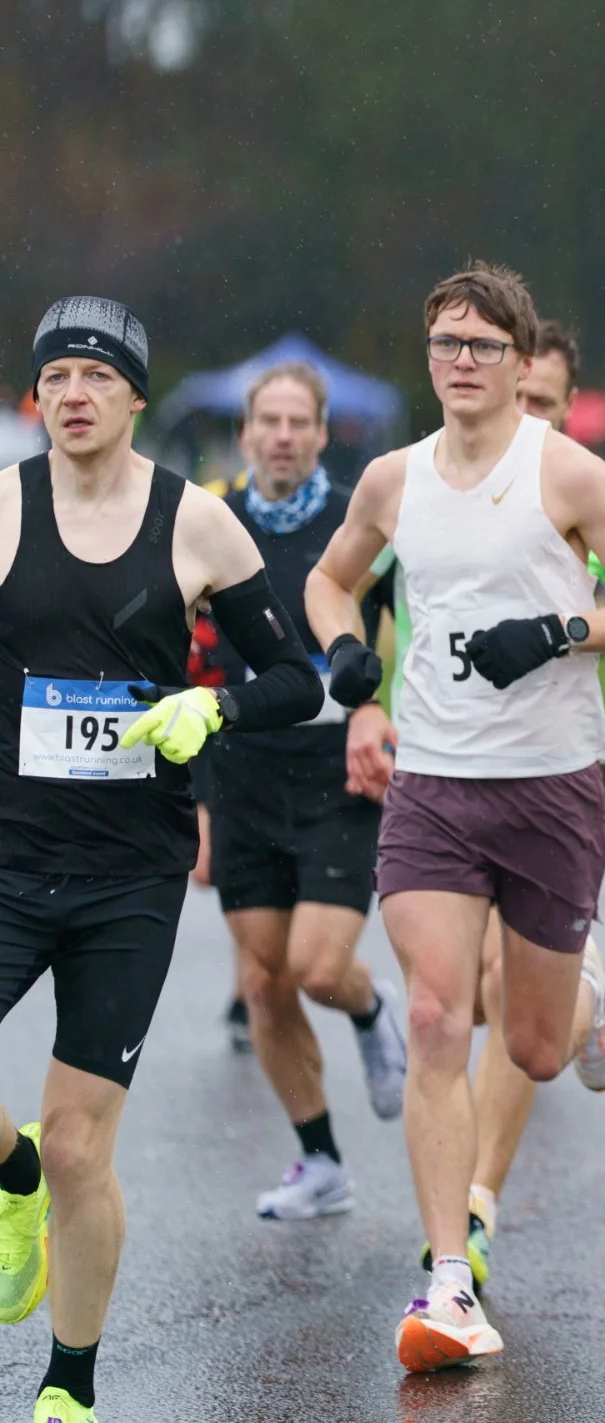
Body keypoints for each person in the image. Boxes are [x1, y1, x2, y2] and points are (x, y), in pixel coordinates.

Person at [304, 264, 605, 1373]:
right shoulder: (392, 478)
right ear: (427, 358)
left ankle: (588, 995)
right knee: (435, 1016)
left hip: (550, 784)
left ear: (524, 364)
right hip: (432, 782)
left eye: (482, 345)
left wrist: (563, 630)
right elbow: (332, 583)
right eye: (445, 343)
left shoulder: (565, 470)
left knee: (529, 1040)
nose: (462, 361)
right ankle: (448, 1278)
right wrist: (345, 656)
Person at [0, 297, 326, 1423]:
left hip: (127, 874)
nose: (73, 393)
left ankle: (68, 1381)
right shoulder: (1, 504)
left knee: (84, 1141)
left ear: (137, 396)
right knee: (46, 1153)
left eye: (97, 374)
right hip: (6, 848)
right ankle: (10, 1176)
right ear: (35, 396)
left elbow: (296, 679)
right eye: (55, 376)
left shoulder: (198, 523)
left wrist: (212, 706)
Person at [198, 362, 410, 1219]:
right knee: (262, 978)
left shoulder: (358, 515)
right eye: (268, 421)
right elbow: (190, 651)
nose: (283, 435)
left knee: (318, 966)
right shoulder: (210, 518)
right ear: (247, 433)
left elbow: (398, 627)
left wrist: (373, 710)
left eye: (299, 422)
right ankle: (320, 1160)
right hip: (243, 766)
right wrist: (201, 797)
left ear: (323, 433)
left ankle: (368, 1007)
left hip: (336, 767)